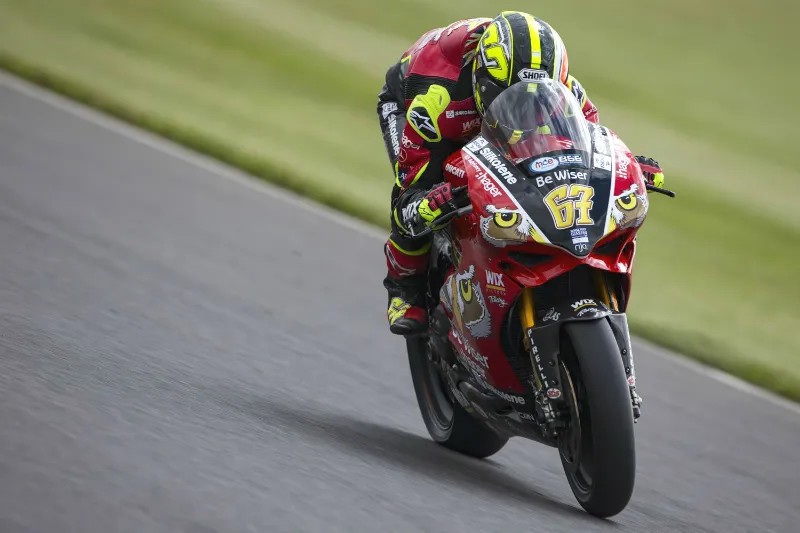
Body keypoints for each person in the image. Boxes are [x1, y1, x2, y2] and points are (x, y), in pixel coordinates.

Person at [377, 11, 664, 335]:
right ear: (484, 83)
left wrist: (625, 166)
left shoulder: (566, 87)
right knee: (418, 201)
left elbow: (590, 152)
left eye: (537, 100)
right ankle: (403, 288)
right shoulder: (435, 102)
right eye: (509, 98)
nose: (523, 112)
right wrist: (426, 201)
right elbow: (410, 196)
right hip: (412, 105)